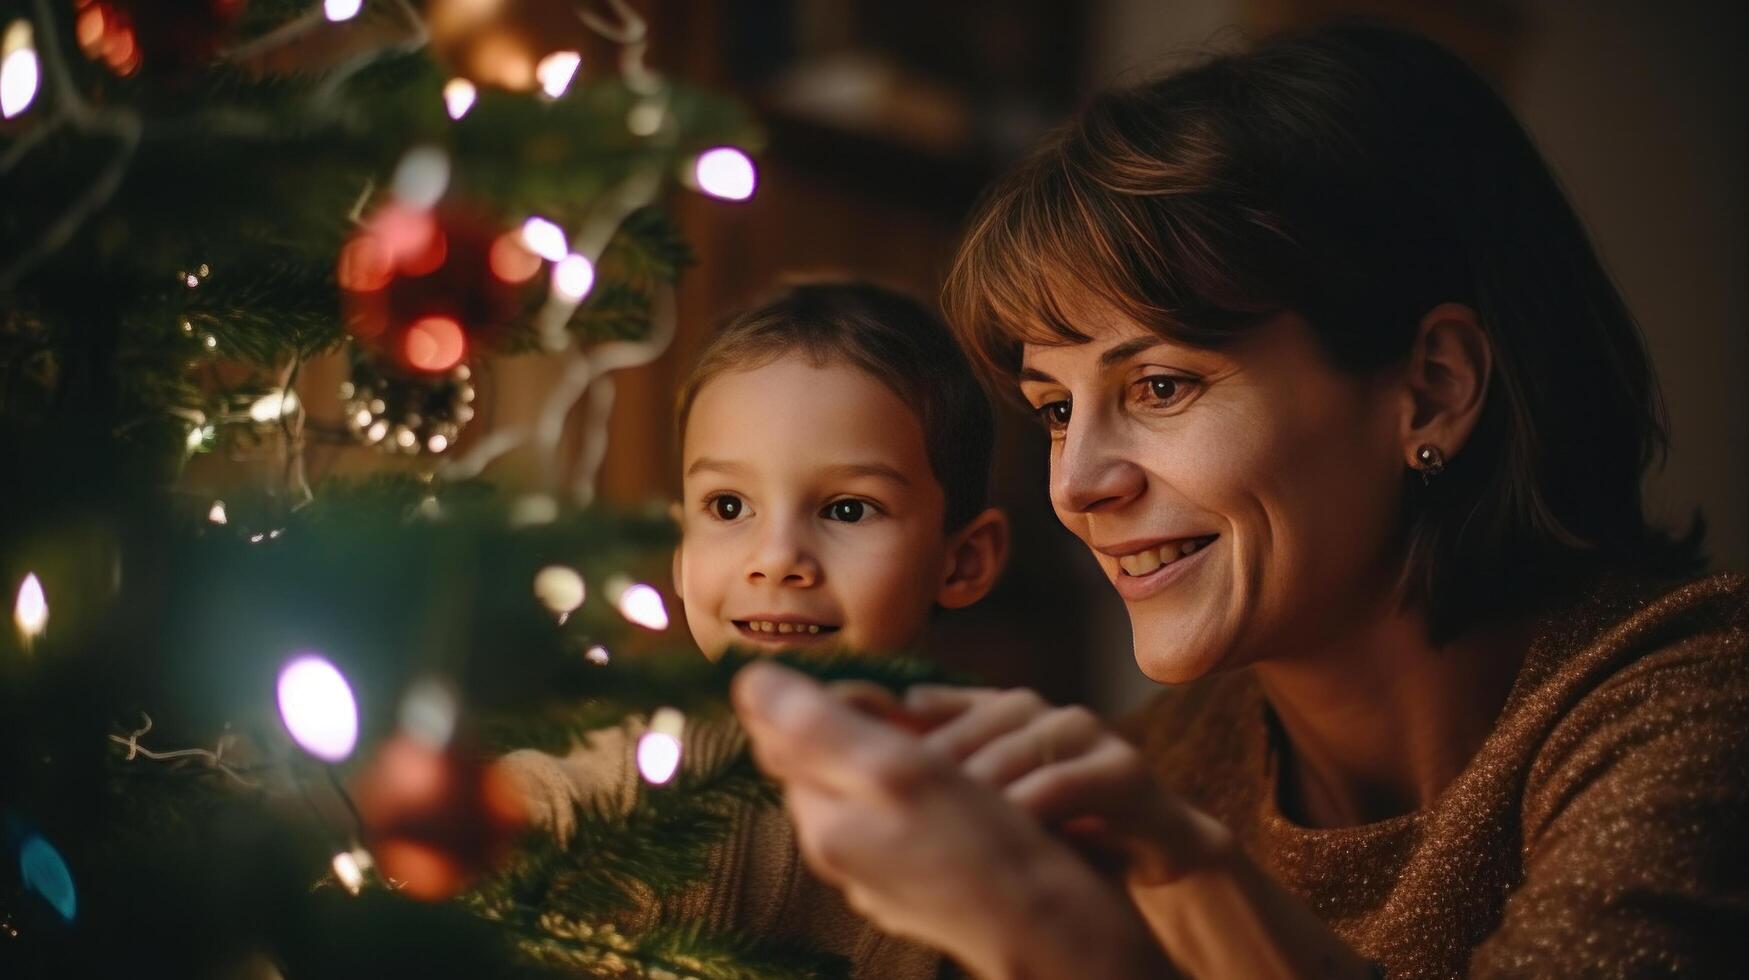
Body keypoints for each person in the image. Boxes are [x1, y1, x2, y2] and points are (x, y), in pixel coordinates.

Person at [730, 23, 1747, 979]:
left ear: (1432, 387)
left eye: (1160, 386)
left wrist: (1086, 938)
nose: (1079, 485)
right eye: (1052, 409)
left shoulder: (1698, 706)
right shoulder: (1151, 775)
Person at [505, 280, 1010, 978]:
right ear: (682, 554)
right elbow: (543, 800)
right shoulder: (633, 771)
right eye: (728, 504)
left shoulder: (1004, 824)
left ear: (961, 562)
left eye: (847, 510)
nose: (775, 559)